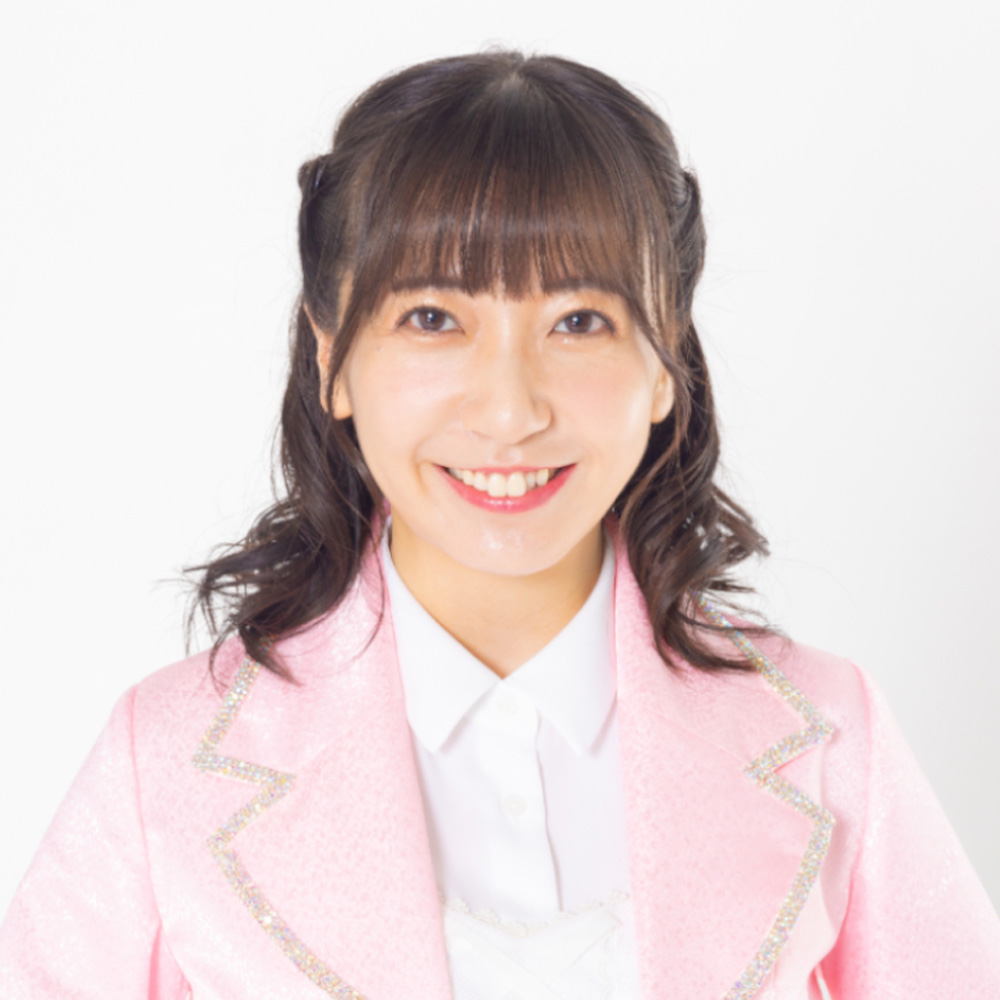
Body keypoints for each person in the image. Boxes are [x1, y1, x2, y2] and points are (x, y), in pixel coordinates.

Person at [1, 50, 998, 1000]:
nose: (511, 410)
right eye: (433, 318)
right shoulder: (167, 757)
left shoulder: (827, 733)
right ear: (330, 358)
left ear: (665, 365)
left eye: (579, 321)